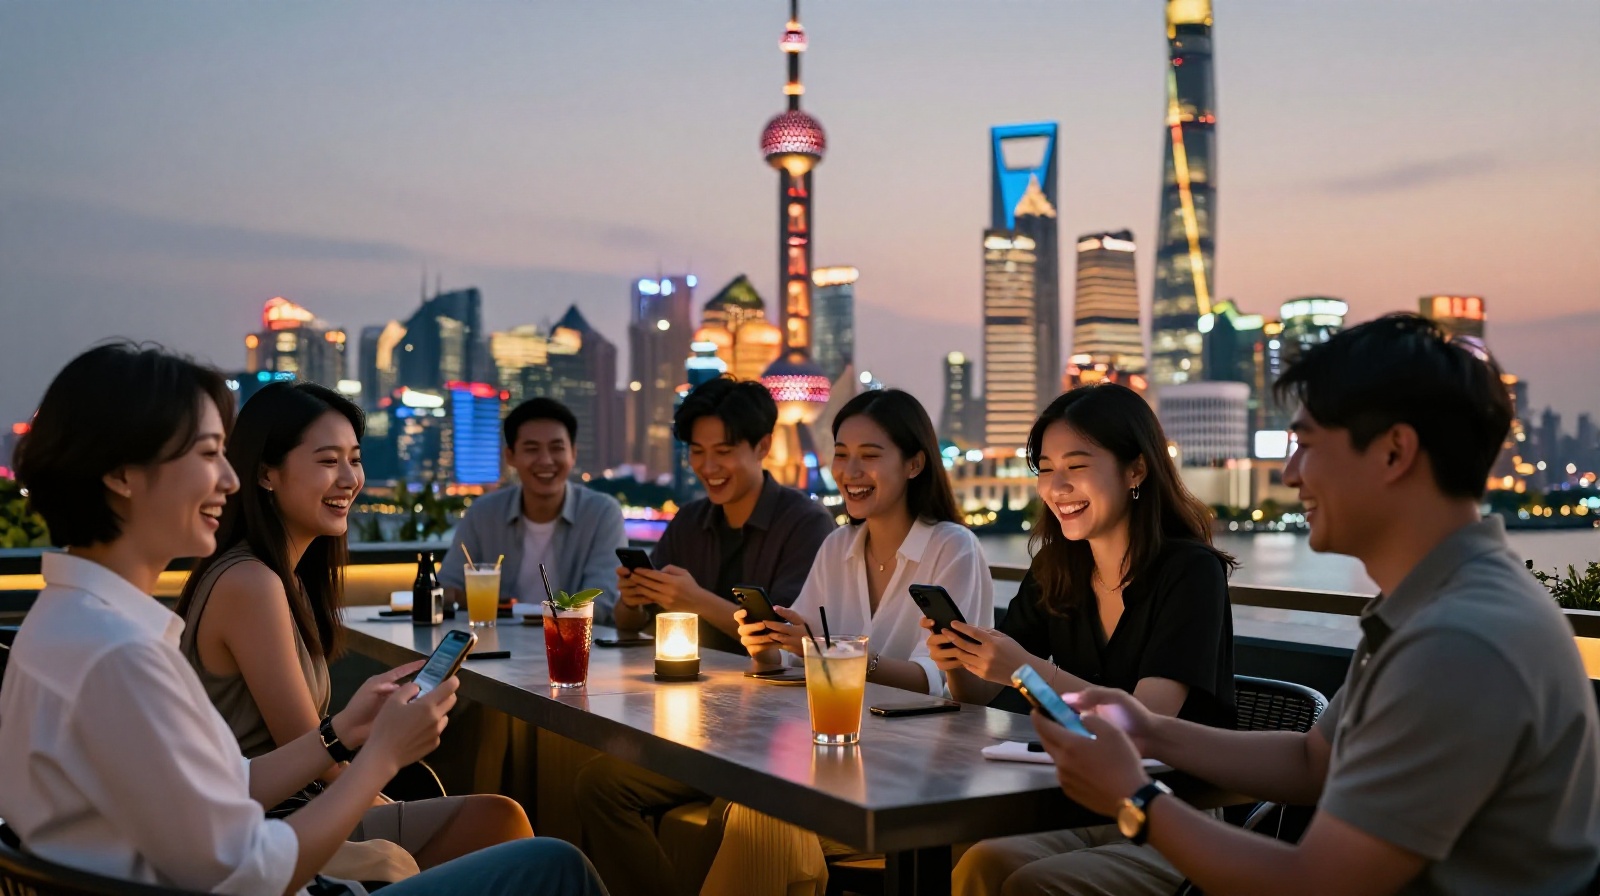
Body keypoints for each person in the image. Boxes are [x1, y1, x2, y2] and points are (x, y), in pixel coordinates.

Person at [0, 342, 607, 896]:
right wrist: (380, 756)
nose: (228, 478)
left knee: (511, 833)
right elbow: (248, 872)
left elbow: (226, 787)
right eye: (208, 454)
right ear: (122, 475)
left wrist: (345, 731)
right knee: (555, 866)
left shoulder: (72, 626)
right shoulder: (119, 656)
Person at [1036, 316, 1600, 896]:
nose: (1290, 474)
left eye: (1305, 445)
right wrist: (1148, 732)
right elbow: (1312, 762)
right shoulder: (1435, 604)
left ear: (1394, 452)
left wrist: (1134, 797)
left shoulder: (1458, 640)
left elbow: (1319, 883)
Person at [174, 381, 531, 883]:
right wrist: (376, 781)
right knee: (501, 821)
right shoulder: (250, 583)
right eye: (328, 461)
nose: (349, 479)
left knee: (497, 820)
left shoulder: (284, 578)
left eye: (355, 460)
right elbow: (311, 747)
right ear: (266, 473)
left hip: (297, 803)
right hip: (270, 825)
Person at [937, 383, 1237, 896]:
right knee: (980, 860)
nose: (1057, 487)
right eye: (1045, 469)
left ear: (1136, 470)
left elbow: (1146, 723)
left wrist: (1026, 669)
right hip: (1083, 800)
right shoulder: (1057, 567)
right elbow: (979, 694)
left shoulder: (1190, 572)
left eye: (1076, 466)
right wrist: (956, 658)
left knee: (1032, 884)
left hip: (1176, 812)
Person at [700, 387, 995, 896]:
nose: (850, 471)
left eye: (869, 456)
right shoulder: (838, 545)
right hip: (838, 757)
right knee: (741, 803)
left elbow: (941, 682)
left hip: (918, 771)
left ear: (915, 464)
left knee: (757, 816)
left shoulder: (952, 547)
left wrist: (839, 654)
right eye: (841, 455)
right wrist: (768, 644)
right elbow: (800, 656)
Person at [578, 375, 836, 896]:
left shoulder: (806, 525)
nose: (708, 466)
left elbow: (785, 638)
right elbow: (629, 624)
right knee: (597, 784)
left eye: (723, 451)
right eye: (697, 451)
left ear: (762, 446)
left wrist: (695, 600)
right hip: (699, 721)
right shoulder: (692, 520)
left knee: (736, 813)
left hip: (776, 731)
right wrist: (633, 597)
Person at [439, 397, 627, 624]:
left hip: (574, 642)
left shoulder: (602, 514)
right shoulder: (484, 514)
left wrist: (509, 609)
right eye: (531, 449)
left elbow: (602, 602)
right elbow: (445, 589)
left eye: (557, 448)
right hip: (495, 641)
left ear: (573, 454)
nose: (545, 460)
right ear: (510, 456)